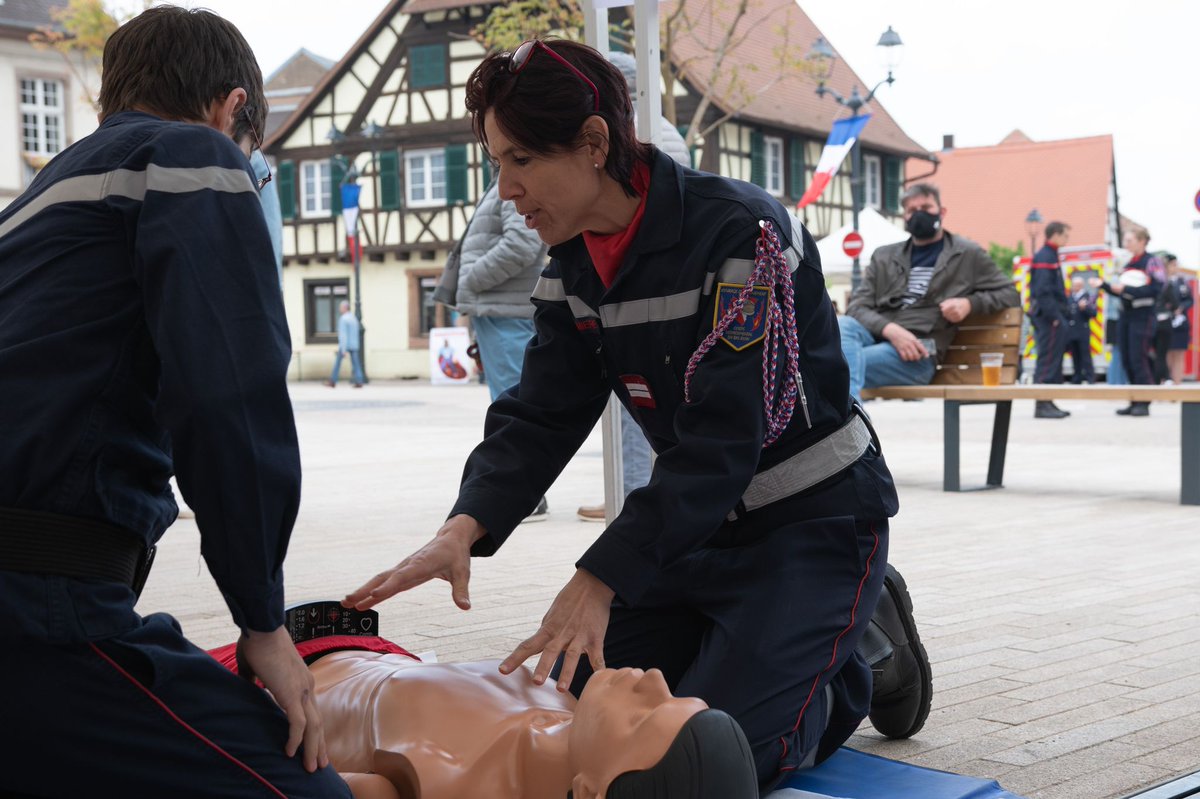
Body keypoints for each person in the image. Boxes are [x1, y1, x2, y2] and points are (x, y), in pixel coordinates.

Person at [344, 39, 931, 793]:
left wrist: (598, 577)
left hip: (811, 525)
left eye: (520, 159)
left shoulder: (742, 236)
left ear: (593, 143)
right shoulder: (572, 266)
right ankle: (812, 636)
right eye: (497, 162)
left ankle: (863, 652)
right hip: (696, 533)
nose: (505, 190)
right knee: (584, 714)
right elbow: (540, 413)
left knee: (705, 756)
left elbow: (723, 440)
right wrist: (463, 527)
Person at [0, 7, 347, 798]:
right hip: (42, 606)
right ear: (234, 111)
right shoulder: (191, 154)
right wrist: (263, 621)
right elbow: (228, 391)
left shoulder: (33, 204)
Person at [209, 632, 759, 798]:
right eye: (673, 696)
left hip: (262, 674)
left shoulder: (441, 780)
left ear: (590, 791)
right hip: (364, 643)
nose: (655, 681)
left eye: (644, 717)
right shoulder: (572, 709)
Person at [576, 50, 692, 523]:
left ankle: (628, 494)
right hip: (656, 279)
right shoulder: (663, 128)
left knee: (638, 401)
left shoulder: (640, 131)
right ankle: (637, 492)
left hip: (641, 280)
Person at [839, 184, 1021, 403]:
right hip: (879, 337)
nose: (919, 214)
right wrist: (892, 331)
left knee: (839, 366)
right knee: (844, 325)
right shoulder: (885, 256)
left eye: (926, 207)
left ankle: (850, 426)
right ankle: (853, 422)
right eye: (911, 210)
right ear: (904, 216)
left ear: (942, 212)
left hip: (918, 352)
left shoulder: (967, 254)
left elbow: (1010, 293)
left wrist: (969, 303)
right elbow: (856, 307)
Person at [457, 181, 551, 520]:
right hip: (503, 308)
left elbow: (522, 244)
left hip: (505, 309)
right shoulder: (505, 180)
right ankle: (523, 493)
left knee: (513, 406)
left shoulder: (512, 184)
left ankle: (525, 497)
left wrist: (468, 279)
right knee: (512, 402)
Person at [1093, 229, 1165, 415]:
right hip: (1125, 315)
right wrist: (1104, 286)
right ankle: (1134, 400)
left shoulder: (1151, 262)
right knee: (1126, 359)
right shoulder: (1128, 263)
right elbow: (1120, 291)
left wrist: (1128, 290)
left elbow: (1156, 289)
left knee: (1138, 358)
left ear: (1142, 241)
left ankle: (1144, 402)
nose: (1126, 244)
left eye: (1130, 240)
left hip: (1142, 316)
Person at [1028, 221, 1072, 418]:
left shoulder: (1050, 254)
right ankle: (1042, 404)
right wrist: (1055, 317)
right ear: (1054, 234)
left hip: (1051, 317)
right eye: (1065, 235)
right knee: (1047, 362)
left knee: (1053, 361)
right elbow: (1043, 291)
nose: (1067, 239)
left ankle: (1048, 401)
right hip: (1049, 319)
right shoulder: (1045, 256)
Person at [1158, 254, 1193, 385]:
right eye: (1173, 264)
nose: (1175, 267)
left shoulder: (1182, 282)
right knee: (1164, 355)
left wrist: (1181, 308)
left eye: (1176, 264)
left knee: (1179, 355)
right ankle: (1164, 384)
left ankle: (1177, 386)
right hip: (1164, 323)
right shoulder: (1161, 282)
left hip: (1180, 324)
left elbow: (1190, 300)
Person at [1064, 275, 1098, 384]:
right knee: (1075, 355)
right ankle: (1077, 377)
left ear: (1081, 286)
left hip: (1082, 330)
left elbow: (1094, 313)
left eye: (1077, 285)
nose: (1075, 287)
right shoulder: (1070, 297)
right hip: (1072, 331)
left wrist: (1085, 308)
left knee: (1085, 355)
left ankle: (1090, 377)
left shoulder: (1088, 296)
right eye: (1073, 285)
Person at [328, 300, 365, 387]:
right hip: (354, 344)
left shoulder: (343, 319)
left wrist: (343, 349)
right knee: (356, 364)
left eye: (340, 307)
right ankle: (359, 380)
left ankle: (333, 380)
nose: (339, 309)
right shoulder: (353, 318)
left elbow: (343, 335)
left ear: (345, 308)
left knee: (337, 363)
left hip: (345, 345)